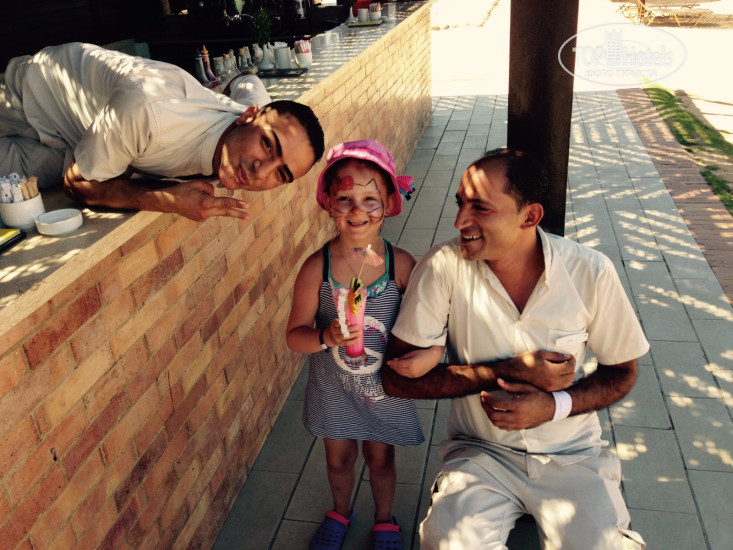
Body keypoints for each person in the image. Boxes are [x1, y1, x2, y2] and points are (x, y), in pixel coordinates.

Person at [382, 148, 649, 549]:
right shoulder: (443, 266)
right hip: (480, 455)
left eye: (480, 207)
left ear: (530, 216)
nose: (459, 221)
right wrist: (509, 370)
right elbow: (396, 381)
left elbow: (622, 371)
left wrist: (554, 406)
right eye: (460, 203)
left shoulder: (590, 271)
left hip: (573, 456)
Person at [286, 140, 437, 550]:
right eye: (345, 199)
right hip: (333, 390)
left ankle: (384, 520)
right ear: (328, 203)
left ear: (388, 203)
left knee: (381, 459)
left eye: (370, 199)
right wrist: (325, 336)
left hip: (382, 390)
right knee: (338, 460)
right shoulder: (315, 269)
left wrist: (429, 354)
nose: (357, 210)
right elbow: (294, 335)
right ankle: (340, 511)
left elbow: (429, 325)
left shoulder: (401, 265)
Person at [0, 42, 324, 222]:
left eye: (281, 173)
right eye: (267, 145)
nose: (260, 171)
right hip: (29, 96)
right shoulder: (151, 111)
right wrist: (167, 200)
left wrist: (217, 93)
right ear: (248, 117)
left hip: (75, 142)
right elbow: (77, 183)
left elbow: (247, 79)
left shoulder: (254, 112)